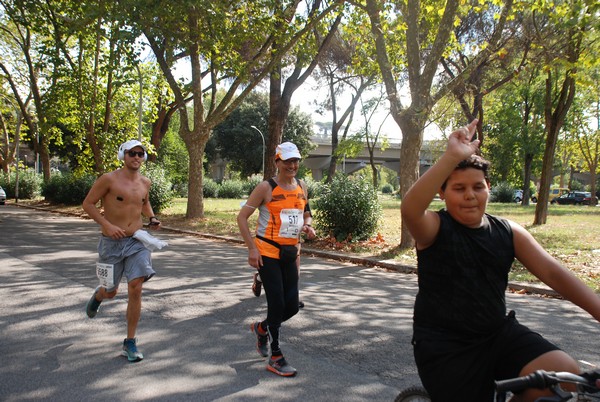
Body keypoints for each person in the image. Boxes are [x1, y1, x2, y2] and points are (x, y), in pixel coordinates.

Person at [400, 119, 600, 401]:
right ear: (442, 193)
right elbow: (410, 208)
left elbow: (554, 275)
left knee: (563, 374)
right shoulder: (433, 228)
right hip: (446, 348)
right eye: (458, 189)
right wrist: (451, 157)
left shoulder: (509, 232)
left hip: (498, 335)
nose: (470, 195)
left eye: (477, 187)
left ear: (488, 188)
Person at [237, 141, 316, 377]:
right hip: (268, 253)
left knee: (292, 307)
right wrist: (252, 249)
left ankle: (261, 329)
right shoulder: (266, 187)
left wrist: (309, 227)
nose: (292, 165)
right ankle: (276, 356)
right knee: (277, 305)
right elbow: (242, 218)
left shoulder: (302, 185)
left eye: (296, 161)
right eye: (287, 161)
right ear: (277, 162)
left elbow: (306, 213)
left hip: (291, 253)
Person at [83, 139, 162, 363]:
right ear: (123, 155)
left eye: (140, 153)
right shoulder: (108, 179)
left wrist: (152, 218)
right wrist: (106, 224)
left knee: (136, 286)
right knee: (111, 291)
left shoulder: (145, 182)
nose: (136, 157)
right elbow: (88, 204)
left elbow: (144, 203)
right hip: (111, 243)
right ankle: (99, 296)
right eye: (132, 153)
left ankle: (130, 341)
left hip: (136, 241)